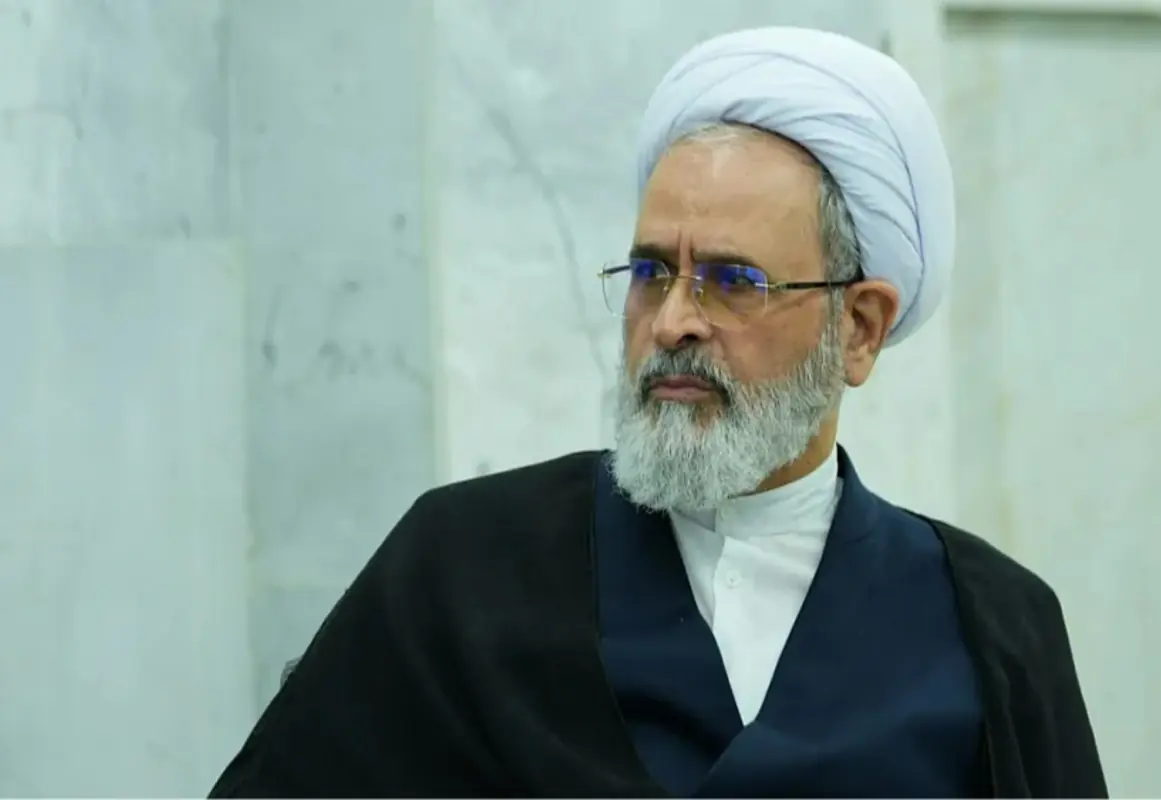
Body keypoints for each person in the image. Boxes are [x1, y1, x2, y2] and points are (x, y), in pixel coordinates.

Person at [211, 27, 1106, 798]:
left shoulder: (992, 626)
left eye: (731, 280)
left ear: (859, 329)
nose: (674, 320)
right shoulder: (464, 567)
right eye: (651, 273)